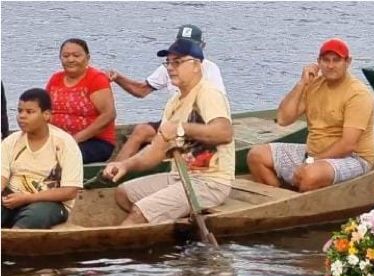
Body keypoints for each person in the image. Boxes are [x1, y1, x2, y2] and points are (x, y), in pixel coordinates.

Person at [101, 38, 233, 226]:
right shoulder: (174, 103)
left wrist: (181, 128)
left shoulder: (208, 93)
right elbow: (156, 152)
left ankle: (138, 231)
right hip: (179, 176)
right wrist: (125, 165)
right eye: (168, 62)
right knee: (123, 194)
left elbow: (224, 133)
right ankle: (168, 225)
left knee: (139, 213)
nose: (170, 67)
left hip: (210, 181)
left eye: (177, 62)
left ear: (196, 65)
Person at [248, 39, 374, 193]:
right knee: (256, 155)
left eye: (336, 60)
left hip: (353, 158)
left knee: (309, 175)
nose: (330, 65)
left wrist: (312, 161)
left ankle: (300, 204)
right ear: (318, 62)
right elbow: (283, 119)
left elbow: (348, 145)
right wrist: (302, 83)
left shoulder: (358, 94)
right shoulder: (314, 85)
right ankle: (279, 199)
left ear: (347, 62)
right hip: (314, 152)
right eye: (326, 60)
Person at [106, 25, 225, 163]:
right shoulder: (169, 66)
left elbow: (216, 104)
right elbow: (142, 90)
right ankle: (114, 169)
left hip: (197, 124)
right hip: (173, 120)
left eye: (190, 46)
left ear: (201, 47)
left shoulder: (210, 69)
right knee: (141, 130)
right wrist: (118, 78)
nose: (185, 49)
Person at [1, 88, 82, 230]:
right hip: (12, 198)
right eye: (20, 111)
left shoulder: (65, 143)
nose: (22, 116)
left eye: (29, 112)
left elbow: (70, 190)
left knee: (34, 216)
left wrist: (27, 198)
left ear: (46, 115)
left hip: (50, 204)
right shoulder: (11, 141)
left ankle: (15, 238)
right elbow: (2, 177)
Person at [45, 39, 116, 163]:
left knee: (63, 157)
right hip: (59, 139)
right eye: (66, 56)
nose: (71, 59)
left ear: (87, 58)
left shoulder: (96, 79)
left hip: (95, 141)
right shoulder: (55, 79)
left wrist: (75, 139)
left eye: (76, 55)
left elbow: (108, 115)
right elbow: (43, 109)